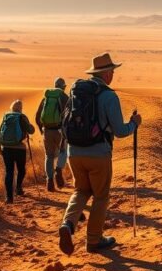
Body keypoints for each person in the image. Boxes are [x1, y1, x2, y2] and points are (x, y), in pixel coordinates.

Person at [58, 52, 141, 255]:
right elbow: (120, 131)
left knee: (81, 190)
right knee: (101, 196)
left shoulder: (77, 92)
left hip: (74, 152)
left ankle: (68, 224)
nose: (113, 74)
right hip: (98, 154)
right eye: (112, 71)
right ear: (105, 74)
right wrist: (134, 124)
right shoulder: (109, 96)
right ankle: (94, 240)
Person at [35, 77, 70, 191]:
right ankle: (59, 170)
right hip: (60, 131)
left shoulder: (46, 98)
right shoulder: (64, 97)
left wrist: (42, 129)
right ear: (64, 87)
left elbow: (37, 117)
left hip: (47, 131)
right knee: (63, 151)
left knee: (49, 156)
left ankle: (49, 182)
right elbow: (70, 115)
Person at [0, 99, 35, 203]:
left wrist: (0, 148)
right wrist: (30, 125)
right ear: (21, 108)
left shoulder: (6, 117)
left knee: (9, 172)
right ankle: (18, 188)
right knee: (21, 170)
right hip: (19, 149)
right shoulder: (22, 117)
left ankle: (9, 197)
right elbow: (31, 131)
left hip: (6, 149)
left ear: (12, 107)